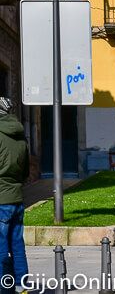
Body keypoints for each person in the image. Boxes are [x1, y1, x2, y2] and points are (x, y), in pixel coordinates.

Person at [0, 97, 28, 294]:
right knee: (18, 246)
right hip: (17, 197)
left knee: (1, 249)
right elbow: (26, 169)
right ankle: (21, 286)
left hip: (1, 199)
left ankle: (4, 288)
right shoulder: (20, 135)